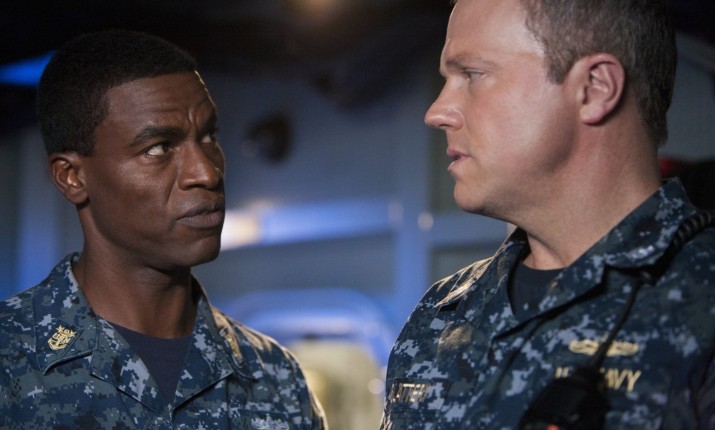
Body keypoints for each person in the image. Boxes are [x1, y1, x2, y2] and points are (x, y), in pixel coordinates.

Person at [380, 0, 714, 428]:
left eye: (473, 75)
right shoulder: (439, 315)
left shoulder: (702, 298)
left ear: (594, 88)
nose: (436, 113)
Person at [0, 29, 326, 429]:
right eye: (158, 148)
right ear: (72, 177)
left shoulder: (276, 380)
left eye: (209, 136)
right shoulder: (10, 360)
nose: (206, 172)